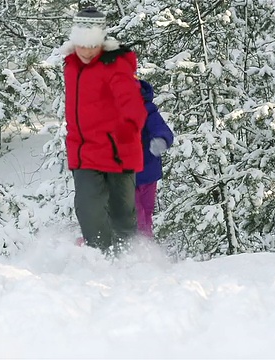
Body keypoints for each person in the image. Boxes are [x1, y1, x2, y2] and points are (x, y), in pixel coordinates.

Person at [60, 7, 147, 255]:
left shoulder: (114, 66)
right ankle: (99, 257)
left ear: (101, 42)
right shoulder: (71, 65)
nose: (86, 52)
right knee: (88, 208)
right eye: (81, 45)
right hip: (84, 151)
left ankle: (130, 260)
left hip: (118, 150)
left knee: (122, 214)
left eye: (92, 46)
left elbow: (133, 104)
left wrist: (129, 130)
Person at [135, 79, 174, 238]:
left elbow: (162, 129)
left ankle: (145, 244)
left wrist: (161, 140)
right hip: (125, 176)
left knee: (147, 210)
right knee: (134, 213)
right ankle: (138, 245)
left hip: (148, 173)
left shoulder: (148, 112)